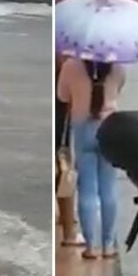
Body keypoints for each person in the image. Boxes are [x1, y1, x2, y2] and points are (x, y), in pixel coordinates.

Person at [57, 57, 126, 259]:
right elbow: (119, 89)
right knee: (109, 188)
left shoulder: (71, 66)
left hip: (83, 128)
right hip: (110, 129)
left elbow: (62, 96)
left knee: (87, 189)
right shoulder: (117, 66)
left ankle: (91, 247)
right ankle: (108, 245)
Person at [55, 54, 81, 248]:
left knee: (61, 166)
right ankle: (69, 233)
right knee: (64, 169)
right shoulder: (65, 62)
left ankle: (65, 219)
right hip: (60, 115)